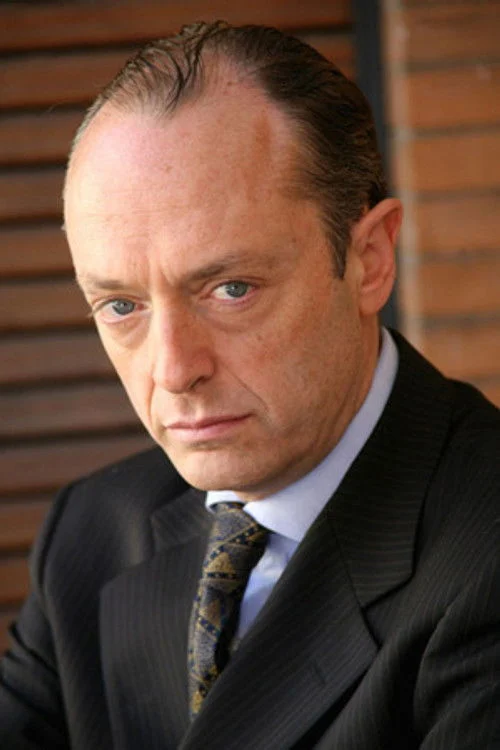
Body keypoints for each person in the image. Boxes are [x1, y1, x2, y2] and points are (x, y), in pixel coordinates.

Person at [0, 21, 498, 750]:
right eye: (122, 306)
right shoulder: (90, 534)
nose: (173, 371)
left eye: (231, 289)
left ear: (369, 260)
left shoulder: (484, 554)